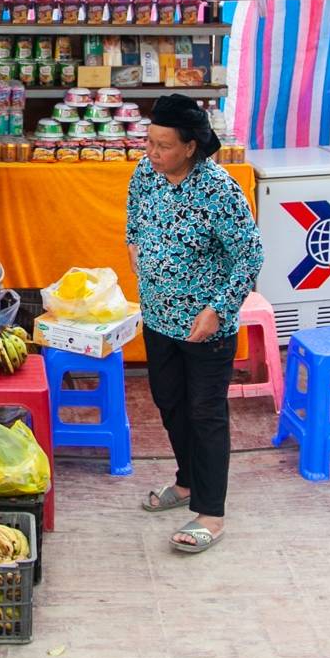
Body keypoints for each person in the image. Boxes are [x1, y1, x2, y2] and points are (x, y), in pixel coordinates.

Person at [127, 93, 263, 556]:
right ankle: (186, 482)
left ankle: (211, 512)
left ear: (190, 147)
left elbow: (248, 256)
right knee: (169, 402)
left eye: (163, 145)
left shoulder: (219, 190)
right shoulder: (146, 174)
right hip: (159, 315)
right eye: (149, 141)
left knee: (206, 414)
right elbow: (134, 219)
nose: (152, 152)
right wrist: (134, 248)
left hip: (206, 325)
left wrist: (219, 309)